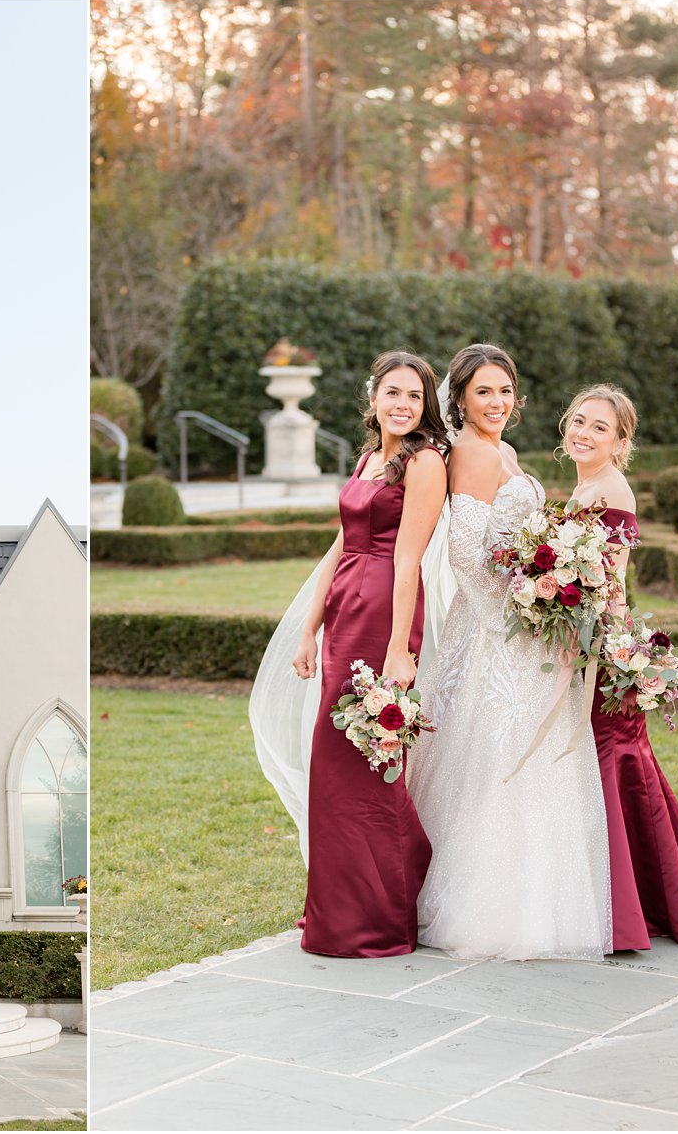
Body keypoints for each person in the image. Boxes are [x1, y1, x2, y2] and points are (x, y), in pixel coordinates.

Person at [407, 343, 612, 961]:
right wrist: (526, 594)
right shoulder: (466, 453)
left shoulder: (505, 452)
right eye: (483, 393)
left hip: (523, 627)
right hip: (496, 631)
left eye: (504, 391)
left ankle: (534, 902)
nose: (496, 403)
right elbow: (466, 555)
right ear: (461, 401)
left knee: (529, 760)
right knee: (496, 757)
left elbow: (516, 536)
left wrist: (547, 578)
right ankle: (486, 909)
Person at [258, 350, 448, 958]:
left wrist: (399, 649)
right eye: (392, 392)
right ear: (373, 399)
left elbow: (409, 559)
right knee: (332, 764)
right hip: (344, 614)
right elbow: (339, 547)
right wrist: (309, 628)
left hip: (384, 618)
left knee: (366, 764)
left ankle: (383, 916)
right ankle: (337, 910)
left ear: (426, 406)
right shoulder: (369, 459)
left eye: (413, 396)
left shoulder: (425, 463)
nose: (401, 404)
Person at [561, 384, 678, 949]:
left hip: (603, 650)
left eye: (598, 428)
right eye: (578, 421)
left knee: (614, 765)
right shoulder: (588, 482)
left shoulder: (612, 491)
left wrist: (592, 649)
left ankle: (632, 909)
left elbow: (608, 587)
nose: (583, 432)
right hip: (596, 644)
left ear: (621, 441)